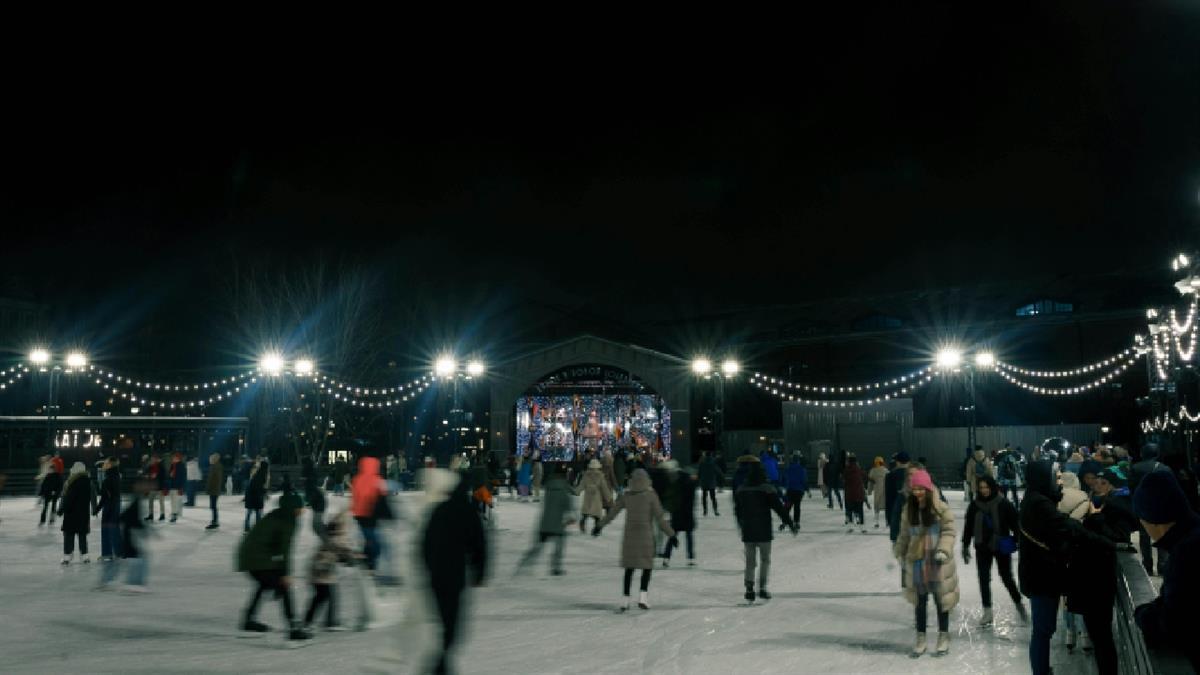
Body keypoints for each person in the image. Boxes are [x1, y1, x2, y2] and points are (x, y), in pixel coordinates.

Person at [1018, 460, 1116, 675]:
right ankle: (1041, 671)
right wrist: (1105, 542)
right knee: (1043, 631)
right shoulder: (1038, 503)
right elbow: (1067, 527)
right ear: (1043, 477)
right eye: (1057, 476)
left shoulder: (1037, 498)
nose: (1060, 481)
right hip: (1041, 577)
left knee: (1044, 629)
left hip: (1042, 574)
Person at [1066, 466, 1137, 675]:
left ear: (1113, 485)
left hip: (1098, 582)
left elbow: (1116, 538)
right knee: (1100, 635)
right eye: (1096, 481)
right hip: (1093, 579)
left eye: (1103, 482)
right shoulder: (1100, 503)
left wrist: (1094, 519)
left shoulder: (1116, 506)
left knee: (1102, 636)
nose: (1097, 485)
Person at [421, 468, 488, 675]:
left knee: (444, 622)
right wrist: (479, 572)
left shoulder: (439, 510)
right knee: (451, 625)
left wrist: (428, 565)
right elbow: (479, 545)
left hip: (436, 575)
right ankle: (439, 667)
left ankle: (440, 665)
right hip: (455, 574)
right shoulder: (468, 512)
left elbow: (425, 543)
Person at [1133, 470, 1200, 671]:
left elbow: (1175, 624)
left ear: (1154, 521)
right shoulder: (1192, 536)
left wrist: (1144, 615)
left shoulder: (1186, 552)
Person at [895, 469, 958, 657]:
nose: (917, 493)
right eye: (914, 489)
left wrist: (943, 550)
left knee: (941, 600)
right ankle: (921, 638)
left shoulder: (941, 508)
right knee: (920, 602)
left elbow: (949, 531)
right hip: (917, 561)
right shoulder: (909, 509)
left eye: (921, 489)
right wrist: (900, 550)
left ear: (928, 488)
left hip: (937, 559)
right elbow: (904, 534)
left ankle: (943, 636)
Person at [594, 468, 676, 611]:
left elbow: (612, 513)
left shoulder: (627, 496)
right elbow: (660, 519)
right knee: (647, 568)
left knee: (629, 569)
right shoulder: (651, 495)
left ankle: (625, 600)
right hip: (646, 537)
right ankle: (643, 598)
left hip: (630, 536)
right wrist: (672, 535)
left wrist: (600, 525)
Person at [237, 490, 308, 641]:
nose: (304, 510)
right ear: (294, 508)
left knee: (264, 584)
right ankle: (294, 627)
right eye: (302, 507)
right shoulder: (289, 520)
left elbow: (276, 547)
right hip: (257, 558)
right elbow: (284, 549)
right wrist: (285, 573)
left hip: (249, 556)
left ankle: (249, 620)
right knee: (284, 587)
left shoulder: (278, 514)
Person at [962, 474, 1026, 627]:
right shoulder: (975, 505)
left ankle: (1019, 605)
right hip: (982, 547)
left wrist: (1018, 540)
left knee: (1006, 578)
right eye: (981, 487)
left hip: (1000, 546)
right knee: (983, 578)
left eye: (986, 487)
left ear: (992, 487)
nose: (984, 490)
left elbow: (1016, 524)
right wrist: (965, 545)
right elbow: (968, 526)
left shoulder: (1003, 503)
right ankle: (987, 612)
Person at [736, 462, 796, 601]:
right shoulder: (767, 489)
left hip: (749, 531)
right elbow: (779, 509)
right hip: (763, 531)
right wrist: (790, 523)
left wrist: (741, 523)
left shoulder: (742, 490)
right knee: (765, 560)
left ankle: (749, 588)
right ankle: (762, 588)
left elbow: (738, 510)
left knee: (750, 562)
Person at [515, 464, 573, 576]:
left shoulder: (549, 487)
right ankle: (555, 567)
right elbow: (568, 507)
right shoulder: (564, 490)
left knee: (537, 547)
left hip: (545, 523)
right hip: (557, 525)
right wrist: (570, 519)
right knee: (559, 545)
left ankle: (524, 563)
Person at [304, 510, 355, 632]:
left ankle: (328, 621)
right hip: (321, 570)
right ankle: (311, 621)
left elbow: (340, 552)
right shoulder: (337, 537)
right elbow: (343, 552)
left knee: (327, 595)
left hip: (320, 569)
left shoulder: (330, 535)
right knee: (323, 595)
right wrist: (351, 559)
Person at [1057, 471, 1089, 651]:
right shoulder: (1083, 497)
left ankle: (1069, 631)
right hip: (1079, 549)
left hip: (1060, 549)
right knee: (1081, 591)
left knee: (1065, 594)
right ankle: (1084, 634)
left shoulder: (1055, 497)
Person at [1129, 444, 1169, 576]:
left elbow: (1132, 488)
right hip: (1161, 506)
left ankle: (1148, 565)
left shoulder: (1135, 468)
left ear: (1142, 454)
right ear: (1157, 453)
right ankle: (1162, 565)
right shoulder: (1164, 468)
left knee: (1144, 536)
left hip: (1143, 505)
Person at [351, 456, 388, 573]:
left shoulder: (357, 479)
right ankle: (370, 560)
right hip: (372, 514)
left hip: (359, 514)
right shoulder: (378, 479)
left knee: (368, 537)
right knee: (372, 539)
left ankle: (366, 557)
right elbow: (383, 495)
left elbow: (354, 497)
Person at [58, 462, 96, 565]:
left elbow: (66, 498)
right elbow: (93, 496)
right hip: (83, 513)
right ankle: (85, 556)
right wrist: (94, 508)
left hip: (71, 513)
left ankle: (67, 555)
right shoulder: (89, 482)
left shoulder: (70, 482)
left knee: (69, 534)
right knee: (82, 534)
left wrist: (61, 509)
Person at [662, 463, 697, 567]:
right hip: (687, 514)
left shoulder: (675, 483)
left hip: (677, 514)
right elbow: (692, 501)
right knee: (689, 537)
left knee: (672, 536)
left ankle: (666, 558)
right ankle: (690, 558)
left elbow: (670, 498)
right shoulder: (691, 484)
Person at [95, 457, 122, 561]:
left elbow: (104, 497)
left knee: (106, 529)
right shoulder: (117, 476)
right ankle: (118, 552)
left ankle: (107, 553)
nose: (103, 465)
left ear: (110, 465)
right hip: (116, 504)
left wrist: (97, 509)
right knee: (114, 529)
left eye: (105, 463)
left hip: (109, 506)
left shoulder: (108, 478)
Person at [577, 459, 612, 534]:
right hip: (596, 498)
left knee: (586, 513)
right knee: (597, 515)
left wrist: (577, 491)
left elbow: (581, 485)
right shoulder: (600, 476)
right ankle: (597, 530)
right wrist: (608, 497)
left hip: (588, 497)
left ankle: (582, 522)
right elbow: (604, 488)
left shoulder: (586, 475)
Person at [886, 452, 912, 542]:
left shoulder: (890, 476)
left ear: (897, 462)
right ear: (909, 462)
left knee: (899, 547)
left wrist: (889, 519)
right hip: (913, 514)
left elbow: (888, 499)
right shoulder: (915, 475)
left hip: (896, 514)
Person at [301, 458, 327, 541]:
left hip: (319, 504)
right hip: (319, 502)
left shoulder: (309, 485)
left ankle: (327, 539)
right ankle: (327, 536)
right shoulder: (312, 473)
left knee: (316, 525)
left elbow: (311, 494)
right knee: (317, 524)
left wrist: (308, 502)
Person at [783, 452, 808, 530]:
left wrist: (785, 486)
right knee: (797, 507)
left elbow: (784, 478)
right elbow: (803, 480)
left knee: (788, 506)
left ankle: (785, 520)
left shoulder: (788, 468)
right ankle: (796, 522)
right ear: (798, 461)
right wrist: (807, 489)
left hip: (790, 490)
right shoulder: (802, 469)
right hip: (799, 491)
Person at [244, 458, 269, 532]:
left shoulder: (257, 472)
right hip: (256, 496)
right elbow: (260, 486)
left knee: (250, 512)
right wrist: (264, 492)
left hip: (252, 495)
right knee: (257, 512)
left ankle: (247, 526)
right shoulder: (262, 474)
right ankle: (258, 527)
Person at [843, 454, 867, 533]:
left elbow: (844, 480)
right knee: (860, 511)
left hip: (849, 494)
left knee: (850, 510)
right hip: (859, 494)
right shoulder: (859, 470)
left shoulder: (846, 470)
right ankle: (862, 527)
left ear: (849, 461)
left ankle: (850, 527)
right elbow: (865, 476)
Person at [39, 459, 63, 526]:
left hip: (54, 494)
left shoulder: (58, 476)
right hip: (47, 494)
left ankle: (52, 519)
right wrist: (41, 494)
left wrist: (57, 492)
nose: (50, 470)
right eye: (50, 469)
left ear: (54, 469)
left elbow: (60, 485)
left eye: (51, 469)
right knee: (45, 507)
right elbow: (43, 485)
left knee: (53, 507)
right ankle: (42, 520)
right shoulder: (48, 476)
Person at [867, 457, 888, 529]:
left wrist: (869, 491)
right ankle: (887, 522)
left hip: (877, 492)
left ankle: (876, 522)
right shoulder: (886, 471)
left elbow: (870, 482)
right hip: (885, 492)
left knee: (876, 507)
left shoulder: (872, 471)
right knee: (886, 507)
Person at [699, 451, 720, 517]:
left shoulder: (702, 463)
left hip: (704, 482)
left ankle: (705, 511)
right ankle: (715, 510)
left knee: (704, 497)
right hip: (711, 482)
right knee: (713, 497)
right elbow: (717, 471)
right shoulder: (713, 462)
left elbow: (699, 472)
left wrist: (699, 479)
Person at [206, 453, 223, 530]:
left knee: (213, 506)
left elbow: (212, 480)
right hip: (215, 489)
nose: (209, 460)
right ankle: (215, 521)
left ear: (214, 459)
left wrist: (208, 488)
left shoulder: (214, 467)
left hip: (213, 490)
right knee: (213, 506)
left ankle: (214, 521)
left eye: (211, 458)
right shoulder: (218, 466)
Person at [168, 452, 186, 522]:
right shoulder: (173, 465)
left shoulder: (181, 465)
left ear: (178, 458)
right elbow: (169, 474)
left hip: (177, 486)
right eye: (173, 457)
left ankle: (174, 515)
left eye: (174, 457)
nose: (173, 458)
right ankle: (174, 512)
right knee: (172, 500)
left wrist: (181, 487)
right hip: (172, 485)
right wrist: (170, 474)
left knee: (175, 501)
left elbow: (183, 477)